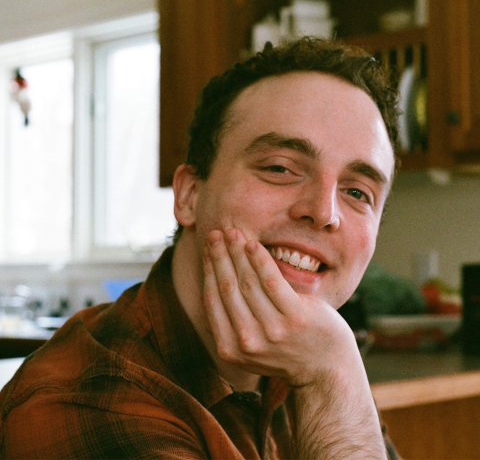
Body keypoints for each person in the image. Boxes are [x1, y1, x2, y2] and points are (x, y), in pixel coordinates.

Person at [0, 37, 401, 459]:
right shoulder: (85, 398)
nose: (324, 212)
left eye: (357, 192)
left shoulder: (314, 355)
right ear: (189, 195)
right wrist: (330, 376)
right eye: (280, 168)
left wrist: (331, 373)